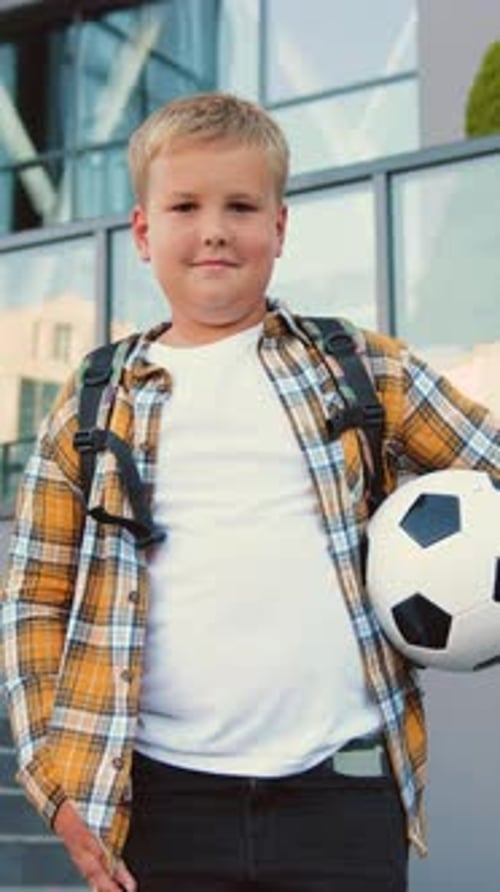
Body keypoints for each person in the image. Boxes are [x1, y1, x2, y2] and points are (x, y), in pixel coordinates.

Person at [1, 92, 499, 892]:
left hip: (341, 792)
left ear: (279, 226)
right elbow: (32, 598)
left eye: (240, 205)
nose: (213, 230)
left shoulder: (362, 368)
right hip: (158, 802)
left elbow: (490, 462)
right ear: (142, 232)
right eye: (185, 206)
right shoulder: (92, 400)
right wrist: (55, 783)